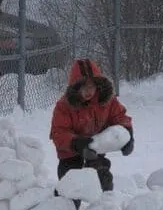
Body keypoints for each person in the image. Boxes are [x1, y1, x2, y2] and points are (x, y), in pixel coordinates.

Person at [50, 58, 134, 194]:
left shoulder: (107, 100)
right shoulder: (64, 106)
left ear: (98, 85)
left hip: (96, 149)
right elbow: (58, 132)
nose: (88, 91)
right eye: (83, 87)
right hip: (70, 153)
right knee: (69, 188)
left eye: (91, 86)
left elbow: (120, 117)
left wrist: (128, 135)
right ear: (75, 88)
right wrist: (76, 143)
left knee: (103, 181)